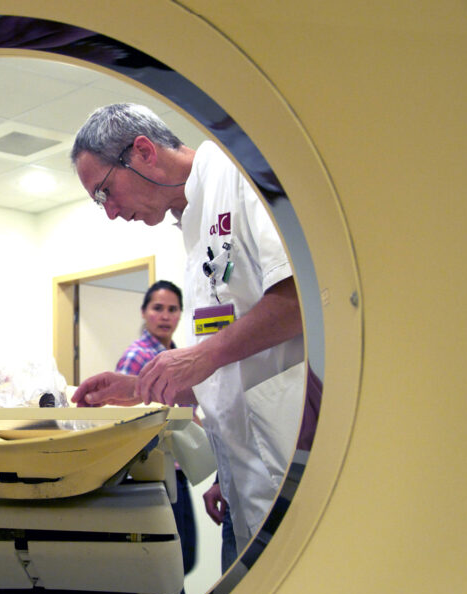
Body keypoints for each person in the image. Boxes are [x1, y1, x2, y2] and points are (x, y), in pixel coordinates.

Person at [70, 103, 312, 562]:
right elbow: (230, 358)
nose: (111, 214)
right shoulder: (192, 228)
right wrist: (142, 386)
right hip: (244, 482)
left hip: (288, 471)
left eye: (105, 193)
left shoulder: (237, 173)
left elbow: (304, 297)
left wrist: (201, 358)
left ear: (142, 151)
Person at [116, 280, 198, 594]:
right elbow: (124, 419)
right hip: (152, 474)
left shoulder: (177, 356)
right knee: (167, 563)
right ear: (144, 312)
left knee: (184, 557)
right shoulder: (138, 356)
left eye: (172, 309)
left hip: (177, 470)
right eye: (157, 308)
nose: (165, 316)